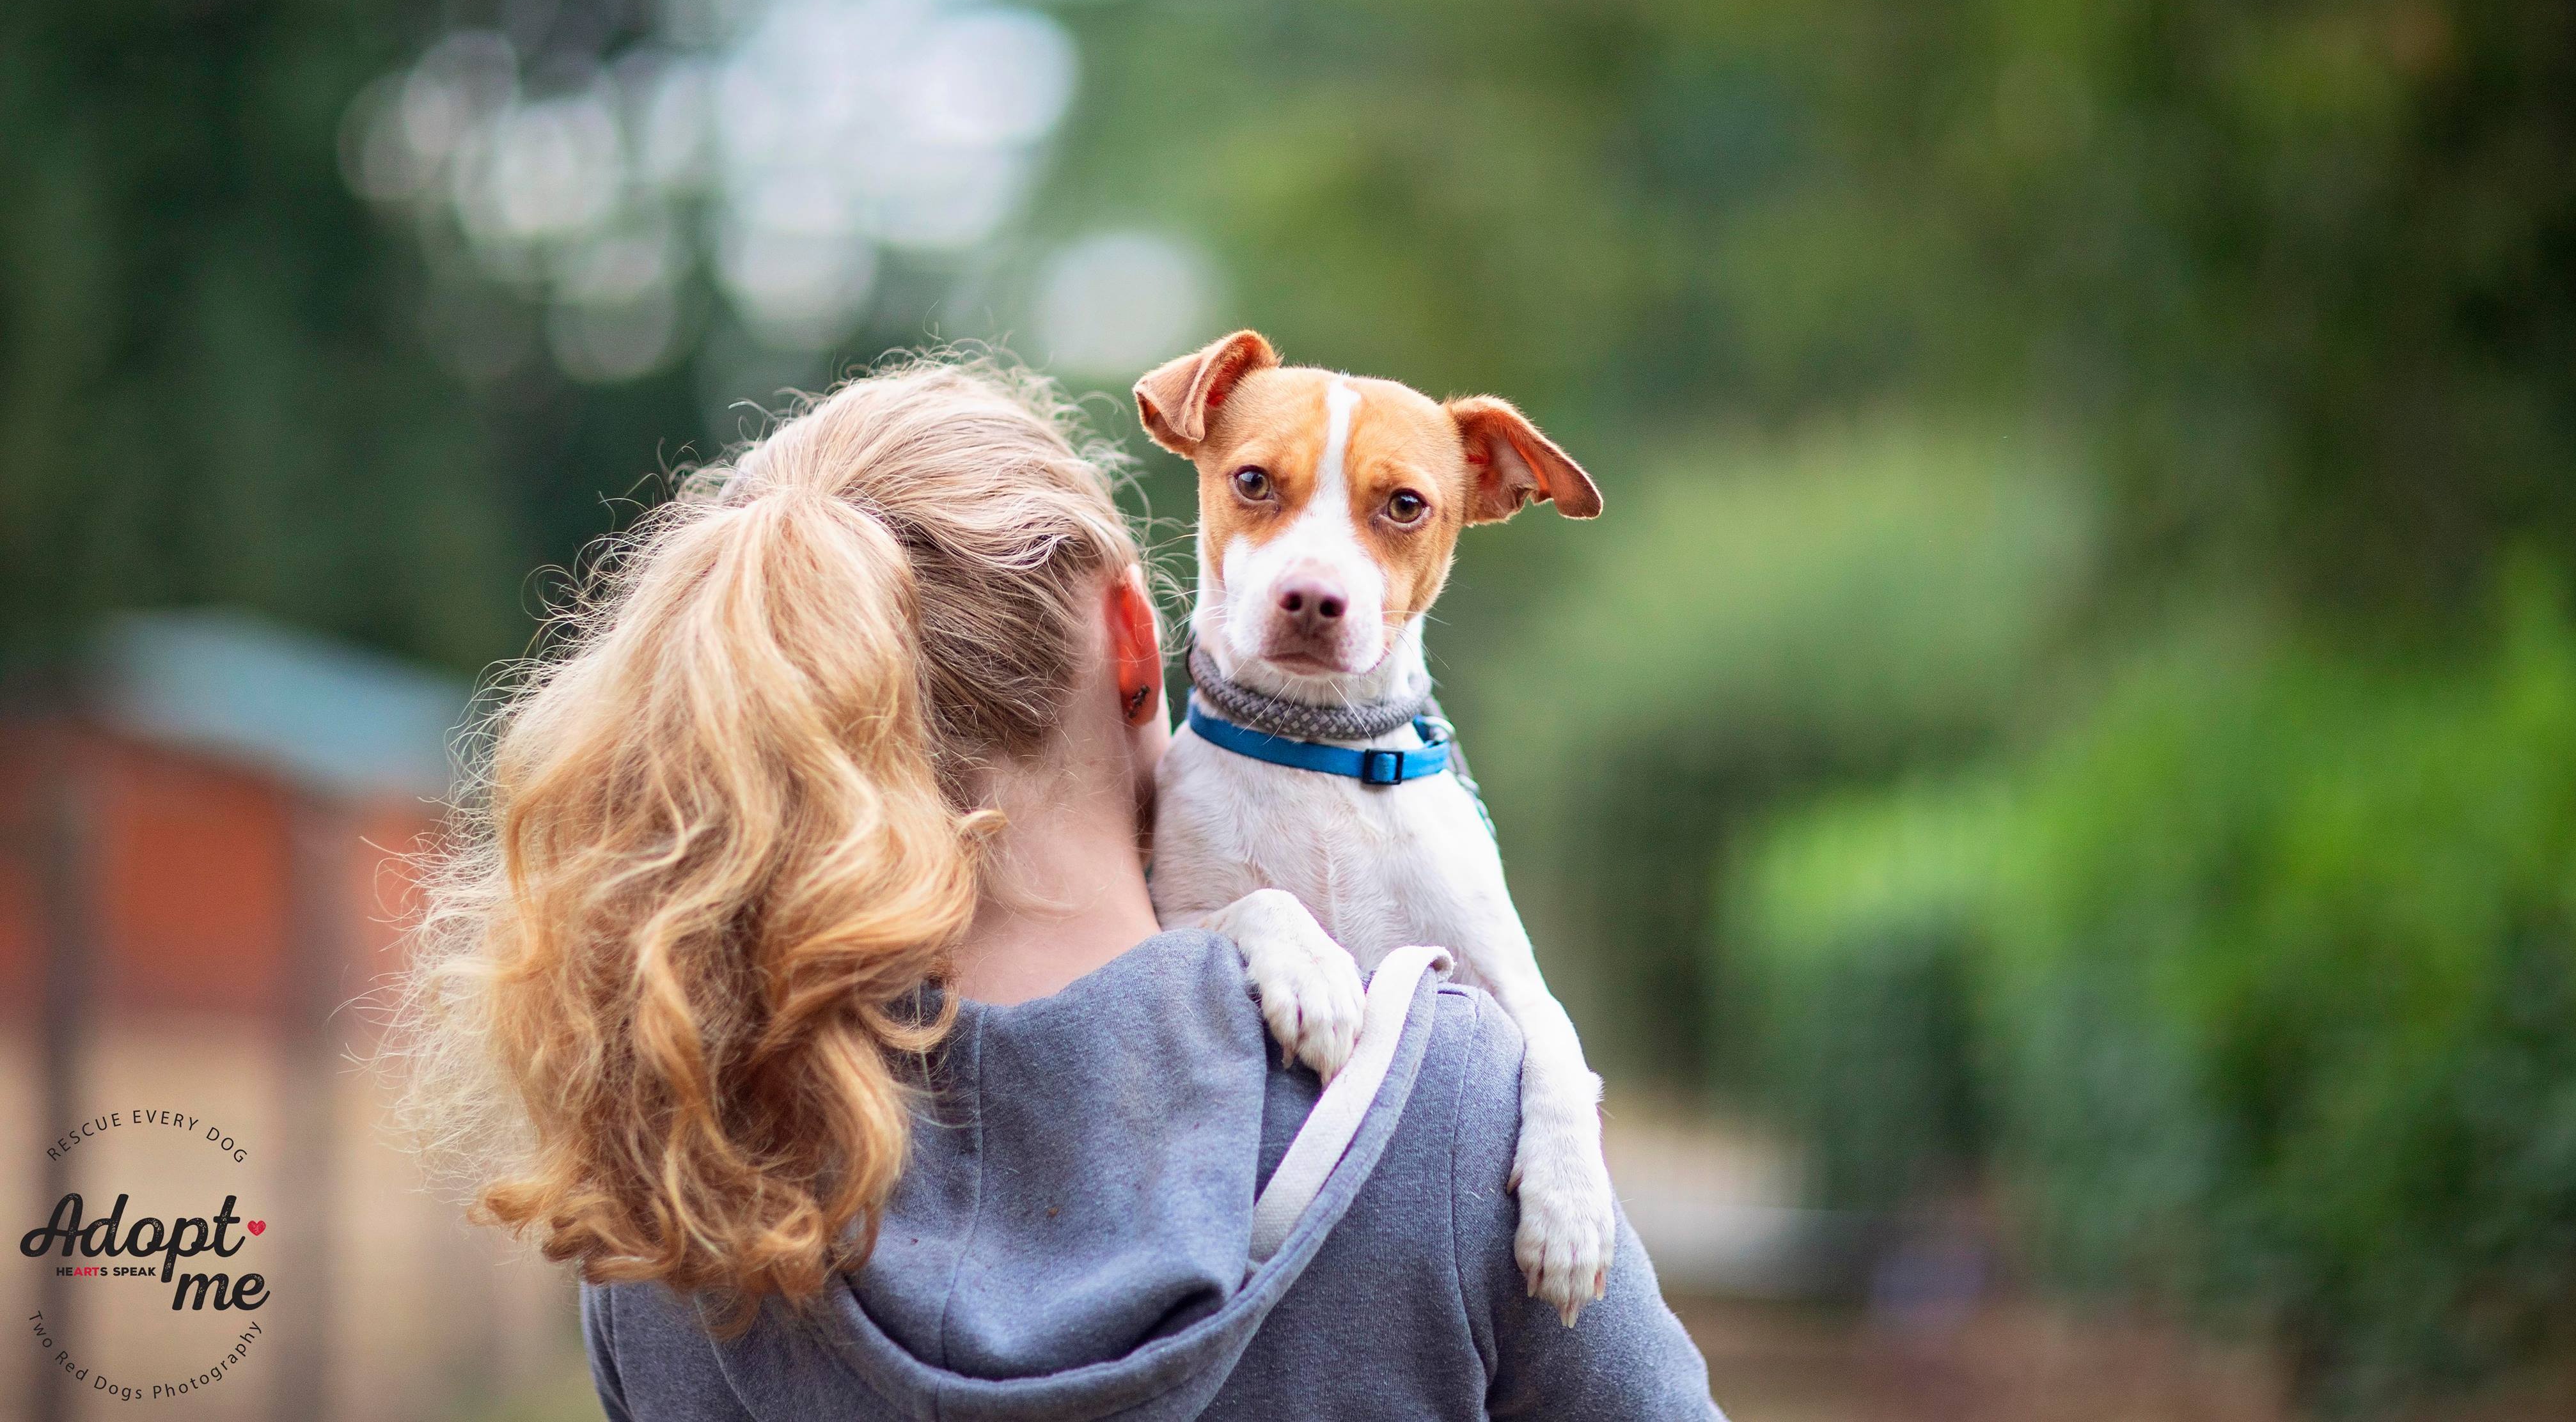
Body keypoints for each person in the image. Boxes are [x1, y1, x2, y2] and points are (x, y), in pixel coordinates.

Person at [395, 354, 1722, 1420]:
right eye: (1257, 490)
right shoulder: (1450, 1118)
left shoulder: (677, 1207)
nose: (1317, 573)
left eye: (1389, 512)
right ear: (1137, 644)